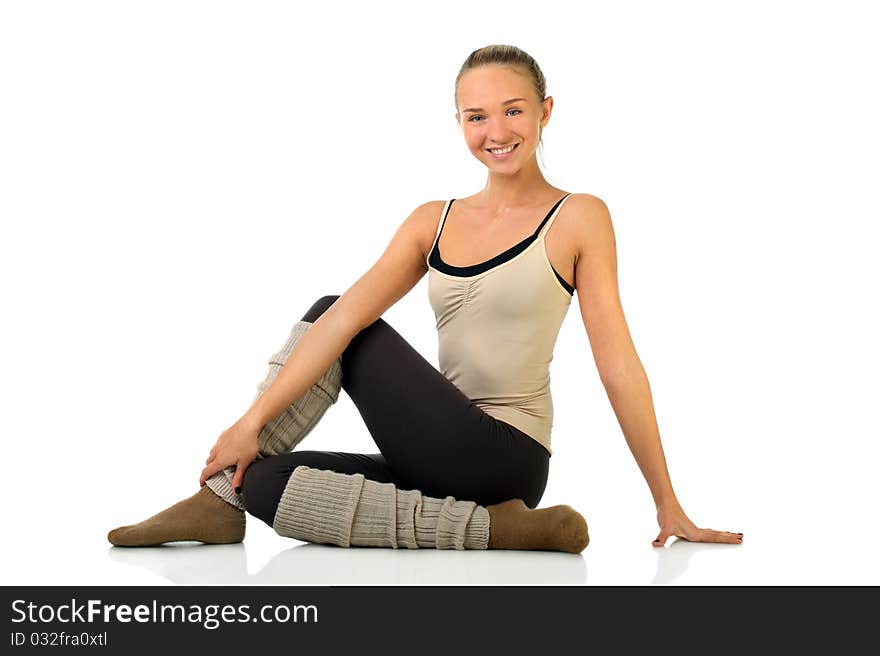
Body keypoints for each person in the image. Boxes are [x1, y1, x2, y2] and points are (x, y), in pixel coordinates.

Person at [107, 44, 742, 553]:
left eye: (514, 110)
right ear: (459, 122)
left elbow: (617, 362)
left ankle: (217, 499)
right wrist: (247, 430)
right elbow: (342, 325)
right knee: (266, 482)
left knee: (337, 309)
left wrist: (667, 500)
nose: (496, 131)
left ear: (547, 111)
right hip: (436, 449)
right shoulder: (430, 222)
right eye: (477, 116)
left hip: (507, 457)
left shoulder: (578, 218)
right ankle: (502, 531)